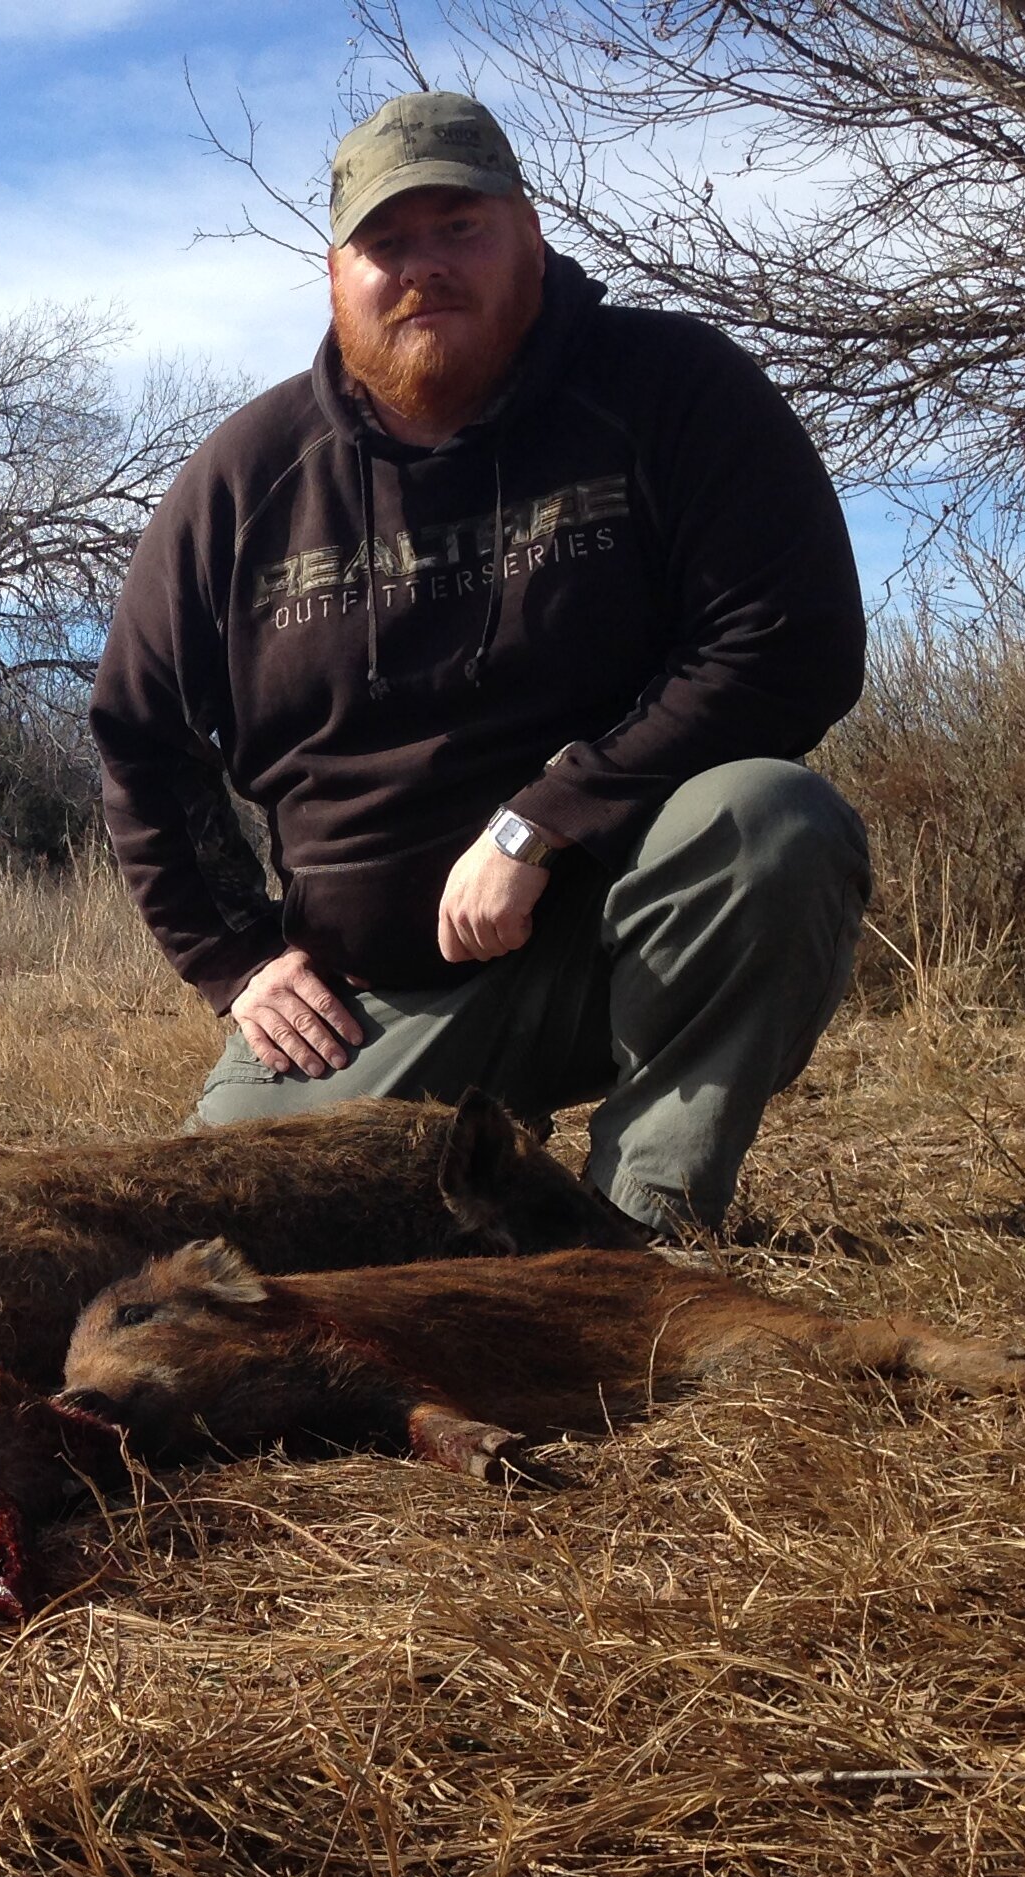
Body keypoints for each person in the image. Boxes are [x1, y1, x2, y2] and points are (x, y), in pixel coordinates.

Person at [91, 90, 871, 1236]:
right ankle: (482, 1167)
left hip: (612, 940)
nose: (425, 268)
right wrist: (238, 960)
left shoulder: (671, 387)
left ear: (532, 235)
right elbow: (141, 740)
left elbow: (789, 640)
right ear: (335, 274)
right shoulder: (242, 479)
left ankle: (641, 1227)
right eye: (388, 243)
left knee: (773, 822)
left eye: (461, 228)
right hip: (370, 1001)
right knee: (221, 1262)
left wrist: (543, 821)